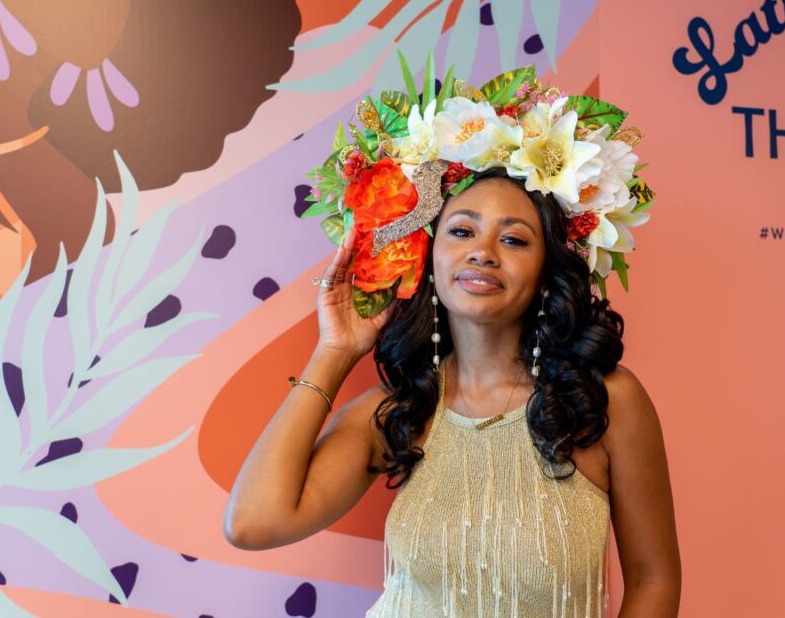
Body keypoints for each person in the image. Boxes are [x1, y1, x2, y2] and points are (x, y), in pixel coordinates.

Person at [224, 66, 681, 617]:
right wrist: (335, 352)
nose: (482, 252)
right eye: (462, 231)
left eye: (513, 239)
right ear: (429, 255)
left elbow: (654, 581)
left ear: (548, 270)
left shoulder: (601, 402)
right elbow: (253, 523)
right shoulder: (397, 412)